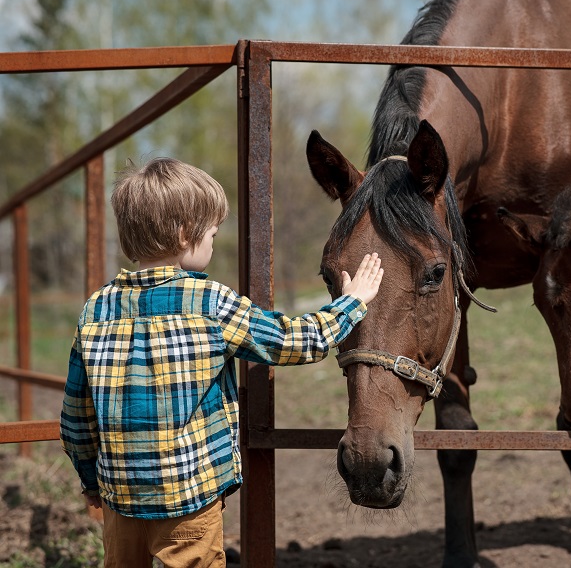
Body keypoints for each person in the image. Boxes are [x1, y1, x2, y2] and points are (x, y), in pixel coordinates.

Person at [60, 157, 383, 567]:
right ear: (184, 234)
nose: (213, 243)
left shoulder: (96, 309)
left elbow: (76, 415)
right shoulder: (210, 302)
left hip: (119, 499)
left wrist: (91, 480)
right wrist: (352, 303)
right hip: (189, 502)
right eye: (212, 233)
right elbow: (294, 341)